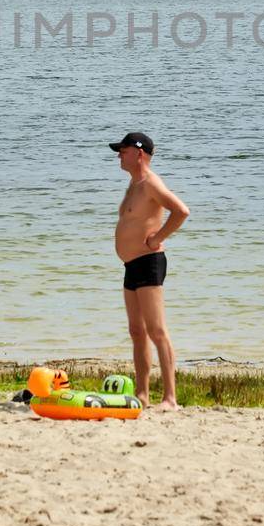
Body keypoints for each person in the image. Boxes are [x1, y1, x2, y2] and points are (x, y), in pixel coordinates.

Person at [110, 131, 189, 409]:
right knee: (136, 330)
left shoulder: (151, 184)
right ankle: (142, 394)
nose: (119, 154)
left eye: (123, 150)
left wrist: (157, 239)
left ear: (139, 153)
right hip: (131, 264)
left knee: (156, 330)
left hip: (149, 262)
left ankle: (170, 398)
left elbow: (181, 211)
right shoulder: (134, 184)